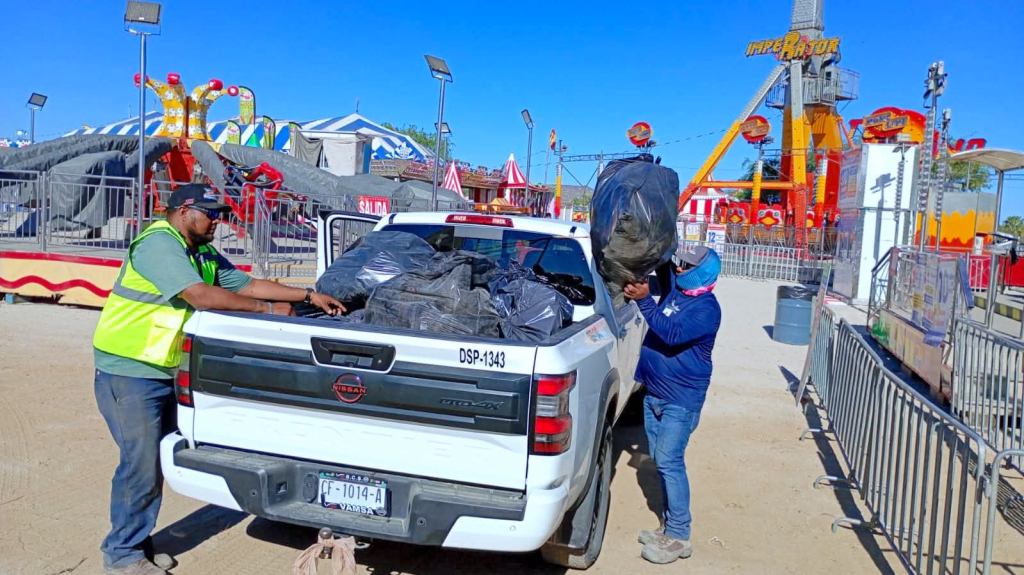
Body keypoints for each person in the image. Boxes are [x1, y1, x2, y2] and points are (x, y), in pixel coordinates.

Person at [92, 183, 344, 575]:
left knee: (157, 459)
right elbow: (200, 296)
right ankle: (123, 553)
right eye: (210, 214)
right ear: (184, 211)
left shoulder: (201, 251)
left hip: (165, 370)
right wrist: (266, 310)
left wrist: (307, 296)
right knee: (140, 463)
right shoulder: (159, 244)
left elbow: (247, 284)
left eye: (220, 215)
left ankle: (137, 542)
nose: (217, 222)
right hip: (129, 370)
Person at [623, 245, 722, 565]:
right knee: (661, 461)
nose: (679, 269)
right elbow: (664, 263)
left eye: (687, 266)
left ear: (701, 273)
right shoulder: (676, 290)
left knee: (669, 461)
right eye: (680, 263)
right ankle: (668, 526)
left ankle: (680, 535)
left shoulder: (707, 309)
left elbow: (671, 334)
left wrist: (643, 300)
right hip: (655, 394)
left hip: (681, 401)